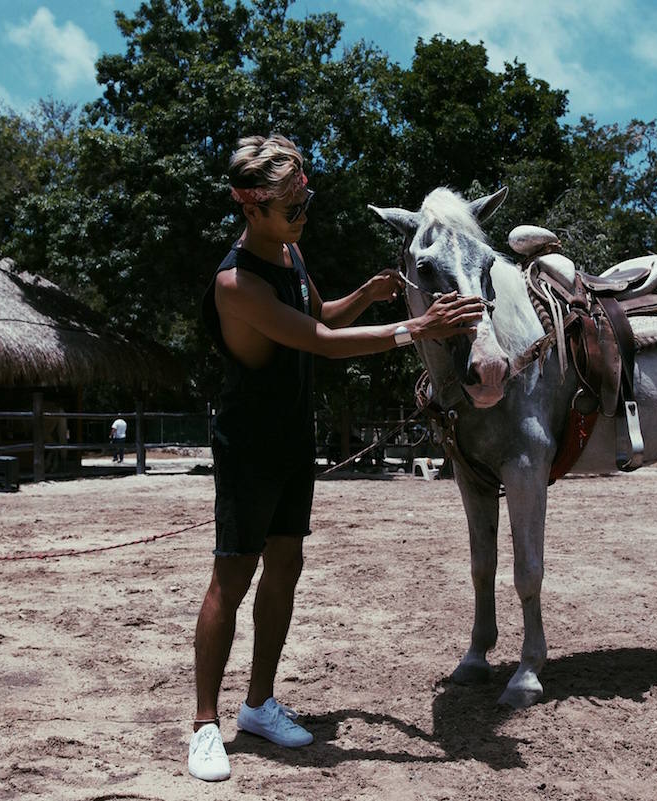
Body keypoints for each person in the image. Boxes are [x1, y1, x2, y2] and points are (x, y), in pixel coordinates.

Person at [188, 134, 484, 782]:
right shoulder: (236, 282)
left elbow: (320, 312)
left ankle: (259, 703)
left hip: (294, 434)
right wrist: (417, 327)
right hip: (249, 445)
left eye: (305, 198)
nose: (303, 212)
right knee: (231, 579)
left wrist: (371, 294)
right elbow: (321, 342)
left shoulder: (290, 251)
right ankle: (206, 724)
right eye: (291, 203)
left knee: (286, 566)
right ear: (250, 204)